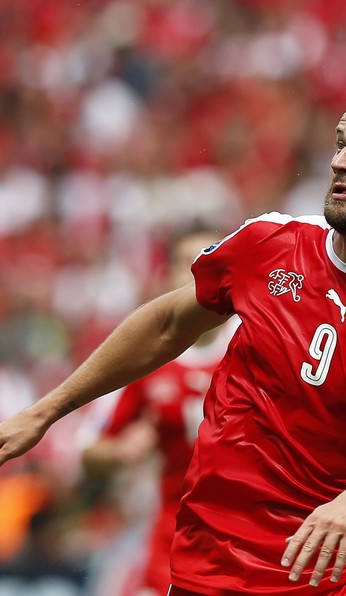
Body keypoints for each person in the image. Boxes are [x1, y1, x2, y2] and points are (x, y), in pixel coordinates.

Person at [0, 68, 346, 595]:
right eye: (340, 143)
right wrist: (45, 411)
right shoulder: (269, 244)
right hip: (215, 572)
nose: (340, 161)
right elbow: (168, 322)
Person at [81, 227, 239, 596]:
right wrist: (120, 452)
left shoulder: (259, 341)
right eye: (188, 262)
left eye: (212, 259)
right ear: (168, 273)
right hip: (175, 535)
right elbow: (90, 450)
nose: (201, 269)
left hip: (259, 530)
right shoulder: (146, 358)